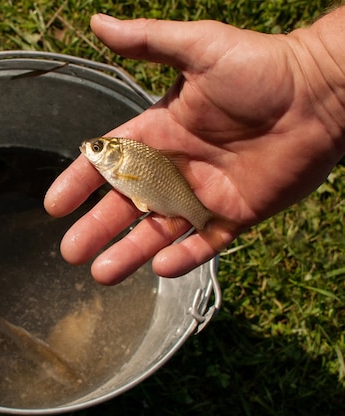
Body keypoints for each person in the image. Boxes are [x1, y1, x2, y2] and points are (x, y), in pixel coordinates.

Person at [44, 7, 345, 284]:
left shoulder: (127, 158)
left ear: (112, 153)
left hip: (168, 192)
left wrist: (316, 69)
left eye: (97, 147)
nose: (90, 148)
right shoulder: (129, 159)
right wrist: (315, 68)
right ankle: (205, 221)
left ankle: (206, 221)